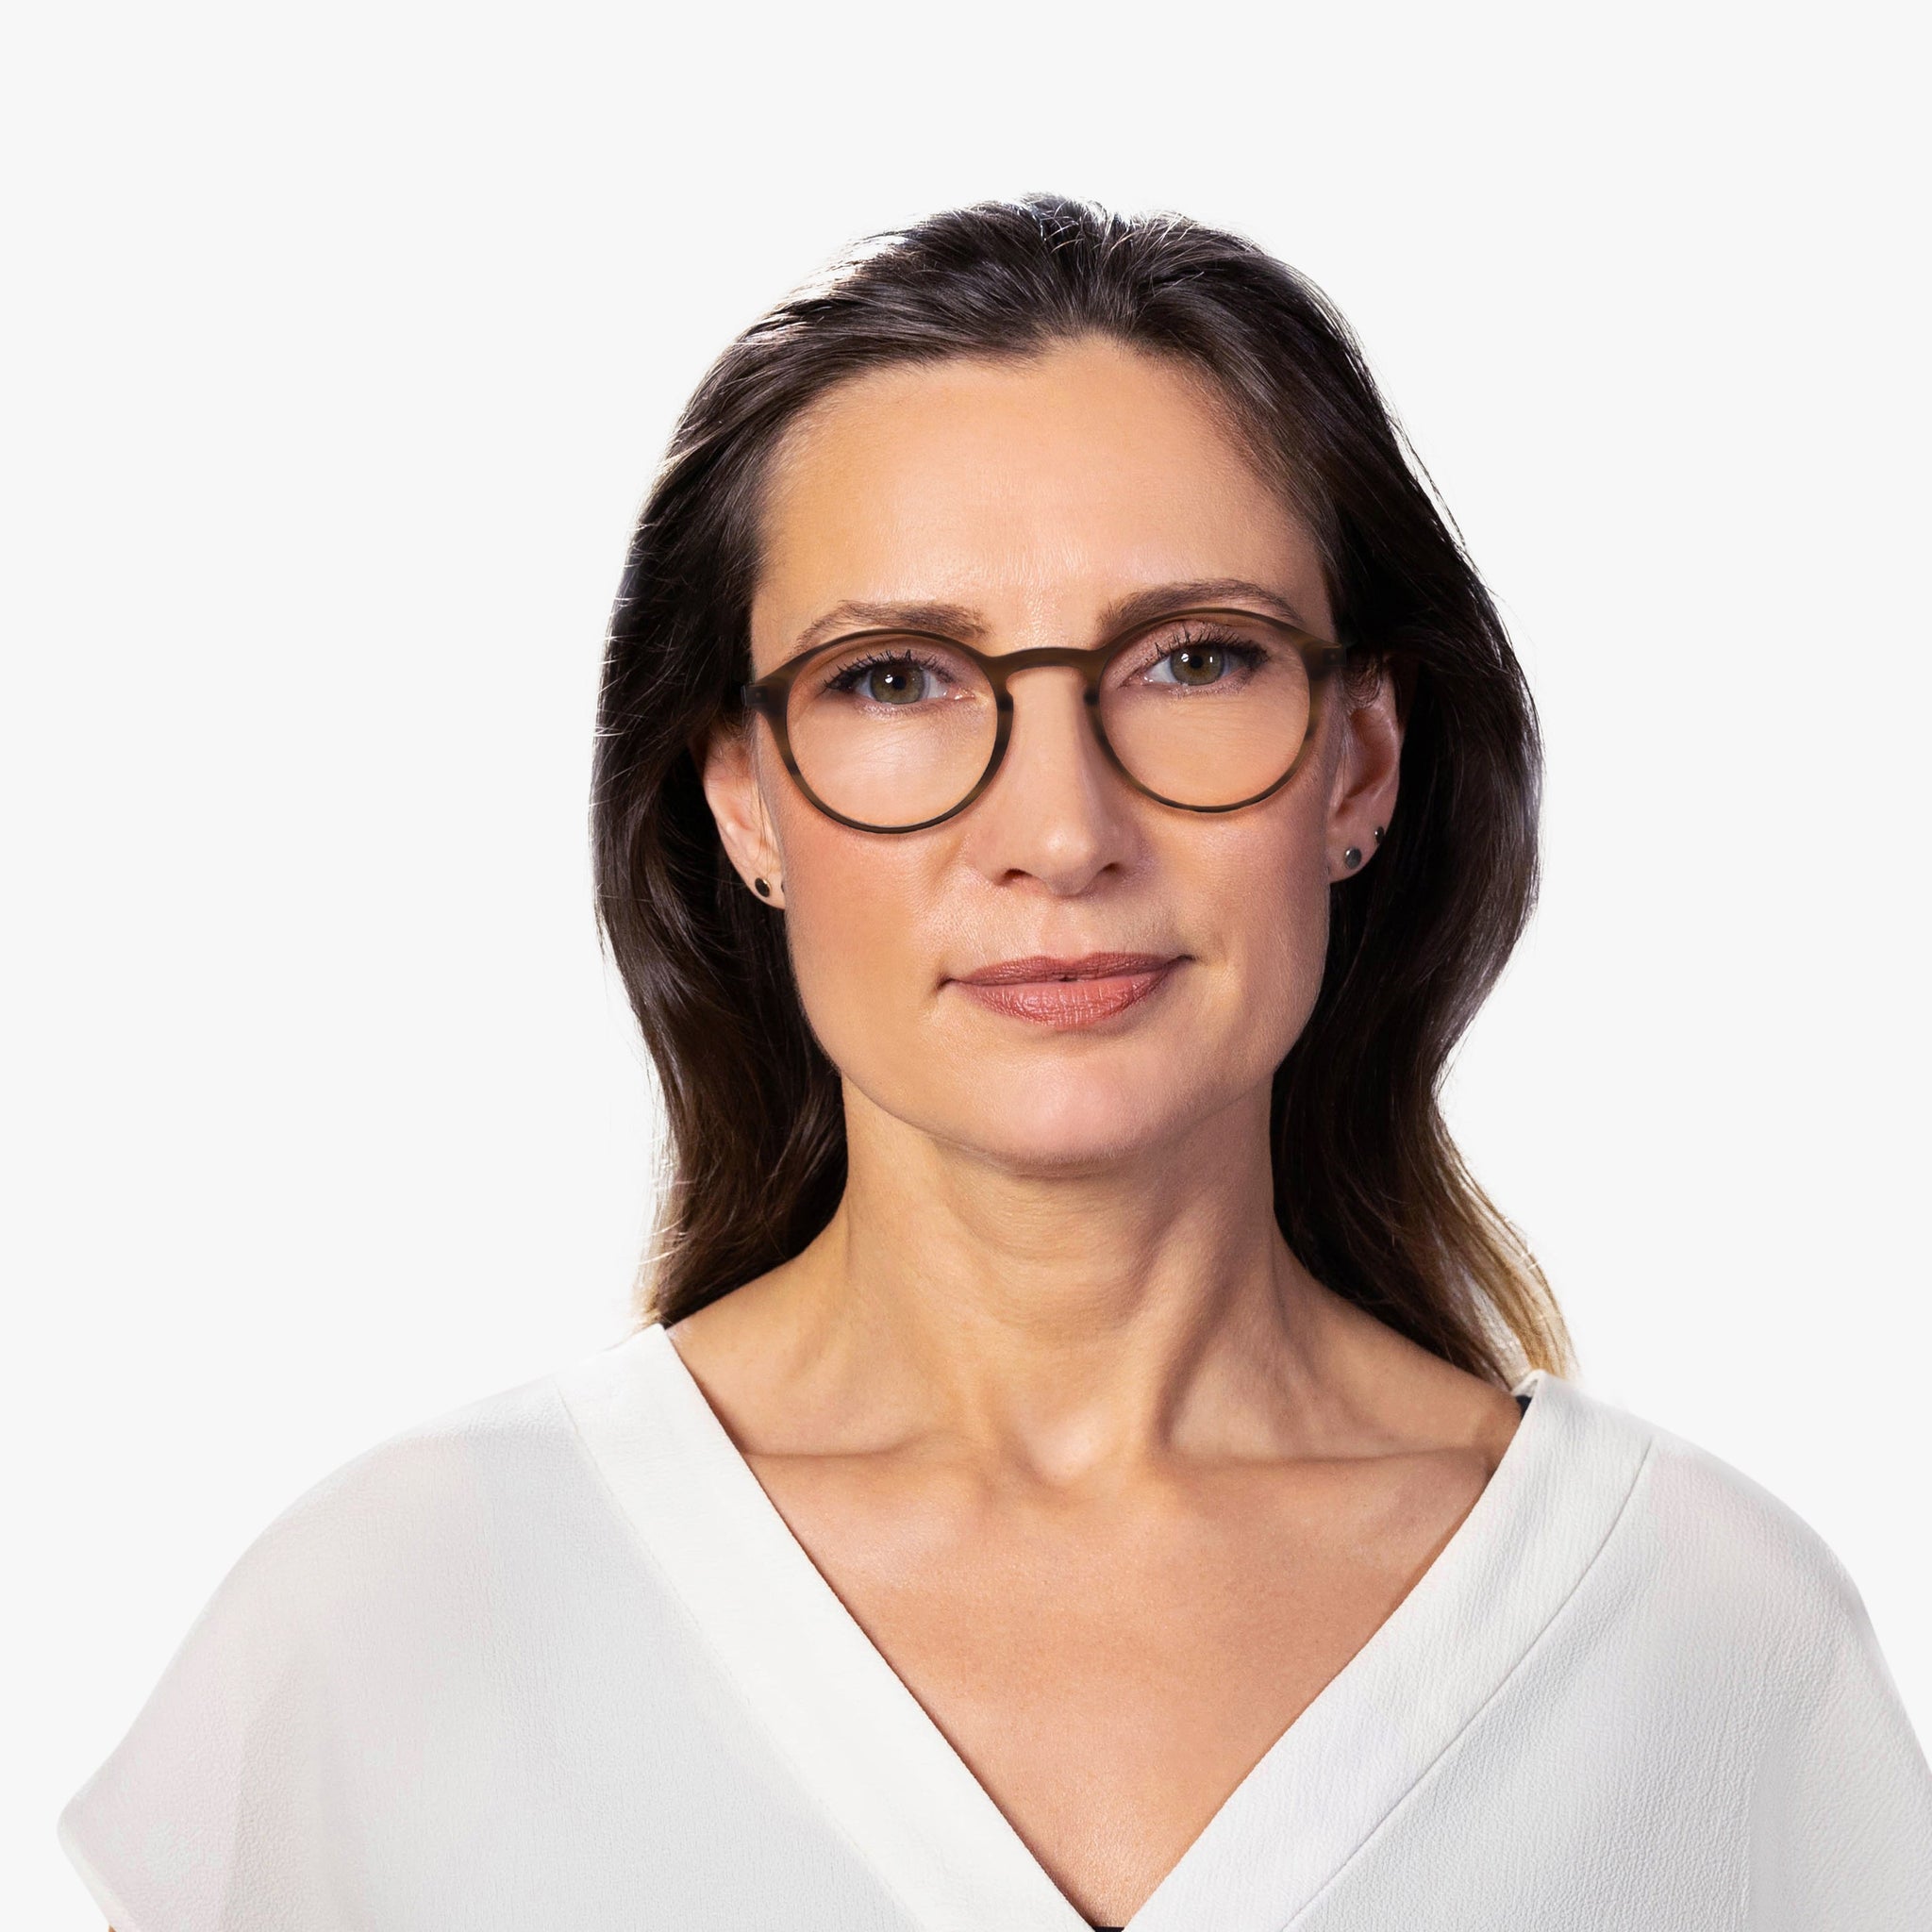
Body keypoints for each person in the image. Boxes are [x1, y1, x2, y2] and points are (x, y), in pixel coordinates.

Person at [58, 195, 1932, 1931]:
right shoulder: (389, 1627)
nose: (1059, 830)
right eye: (895, 678)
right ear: (744, 798)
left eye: (1194, 660)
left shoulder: (1704, 1643)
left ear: (1360, 762)